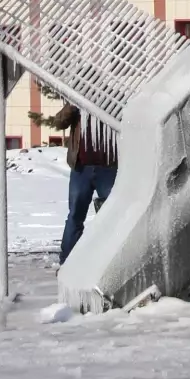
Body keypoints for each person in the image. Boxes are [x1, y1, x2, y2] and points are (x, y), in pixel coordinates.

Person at [49, 103, 117, 263]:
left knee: (111, 216)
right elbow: (58, 123)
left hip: (108, 168)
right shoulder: (79, 100)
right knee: (75, 215)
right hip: (81, 169)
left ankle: (109, 261)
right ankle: (67, 262)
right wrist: (71, 108)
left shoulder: (113, 101)